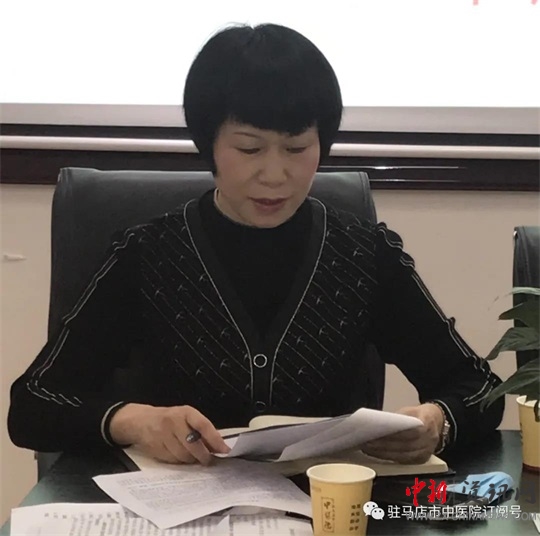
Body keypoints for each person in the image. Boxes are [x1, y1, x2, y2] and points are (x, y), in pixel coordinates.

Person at [8, 23, 503, 468]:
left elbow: (479, 387)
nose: (275, 174)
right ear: (209, 144)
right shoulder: (149, 255)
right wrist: (134, 421)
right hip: (180, 511)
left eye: (297, 148)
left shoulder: (363, 255)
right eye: (249, 148)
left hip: (329, 511)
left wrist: (437, 421)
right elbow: (34, 403)